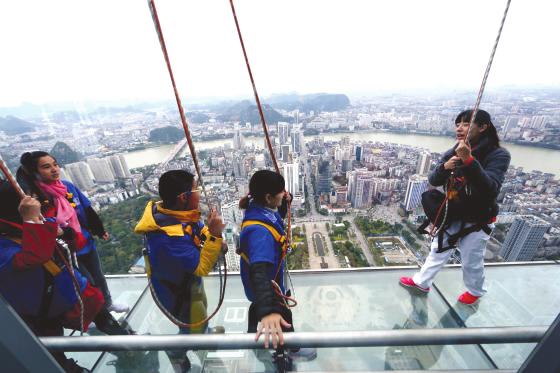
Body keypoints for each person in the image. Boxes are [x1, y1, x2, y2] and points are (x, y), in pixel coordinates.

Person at [400, 109, 511, 304]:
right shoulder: (453, 151)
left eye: (466, 124)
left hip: (478, 218)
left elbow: (491, 188)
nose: (459, 128)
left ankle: (475, 291)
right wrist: (444, 167)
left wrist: (469, 160)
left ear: (484, 127)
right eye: (457, 124)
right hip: (454, 212)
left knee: (471, 259)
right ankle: (421, 282)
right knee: (438, 249)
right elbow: (433, 180)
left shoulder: (498, 155)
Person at [0, 180, 102, 372]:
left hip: (50, 304)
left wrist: (58, 229)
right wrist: (30, 220)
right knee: (51, 353)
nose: (35, 202)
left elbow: (45, 230)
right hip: (37, 315)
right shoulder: (7, 240)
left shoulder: (15, 228)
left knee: (55, 345)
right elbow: (34, 256)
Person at [17, 151, 129, 314]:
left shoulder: (66, 187)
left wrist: (99, 229)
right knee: (85, 282)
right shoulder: (34, 199)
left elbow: (86, 208)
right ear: (35, 171)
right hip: (64, 251)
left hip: (84, 241)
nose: (54, 169)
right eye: (46, 167)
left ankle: (108, 302)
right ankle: (100, 314)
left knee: (98, 277)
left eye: (55, 164)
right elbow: (41, 225)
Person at [134, 170, 225, 372]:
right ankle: (178, 351)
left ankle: (204, 332)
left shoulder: (175, 214)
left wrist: (211, 235)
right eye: (196, 189)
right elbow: (201, 268)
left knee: (199, 313)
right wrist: (215, 237)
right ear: (184, 197)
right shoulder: (167, 236)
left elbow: (197, 232)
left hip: (186, 281)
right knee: (192, 324)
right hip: (177, 290)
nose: (199, 194)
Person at [238, 170, 316, 361]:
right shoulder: (260, 233)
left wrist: (284, 203)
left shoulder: (257, 209)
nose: (284, 193)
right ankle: (291, 350)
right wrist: (269, 310)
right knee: (283, 316)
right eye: (281, 192)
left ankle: (257, 333)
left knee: (267, 309)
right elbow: (259, 272)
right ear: (268, 197)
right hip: (267, 285)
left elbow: (274, 219)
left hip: (268, 283)